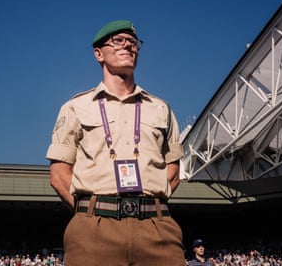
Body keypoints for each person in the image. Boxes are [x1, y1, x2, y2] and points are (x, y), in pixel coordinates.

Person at [46, 19, 186, 265]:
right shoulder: (75, 107)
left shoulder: (161, 108)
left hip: (157, 228)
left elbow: (173, 169)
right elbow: (59, 173)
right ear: (99, 53)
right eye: (119, 41)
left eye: (133, 43)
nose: (128, 46)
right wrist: (89, 212)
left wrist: (150, 205)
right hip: (93, 230)